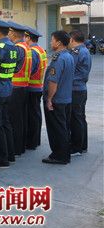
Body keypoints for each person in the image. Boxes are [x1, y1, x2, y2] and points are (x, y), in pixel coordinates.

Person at [0, 19, 20, 167]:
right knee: (5, 122)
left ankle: (1, 157)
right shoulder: (13, 47)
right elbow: (17, 67)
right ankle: (10, 154)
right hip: (8, 87)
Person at [42, 30, 75, 165]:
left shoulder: (58, 59)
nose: (51, 42)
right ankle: (64, 154)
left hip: (57, 99)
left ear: (59, 42)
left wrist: (49, 99)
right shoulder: (69, 56)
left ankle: (59, 156)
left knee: (56, 129)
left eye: (52, 40)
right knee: (63, 127)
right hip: (66, 98)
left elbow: (53, 82)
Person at [9, 21, 31, 156]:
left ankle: (16, 148)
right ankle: (20, 147)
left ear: (13, 33)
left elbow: (13, 68)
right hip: (24, 86)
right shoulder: (26, 47)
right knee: (20, 119)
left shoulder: (17, 48)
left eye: (9, 32)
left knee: (15, 120)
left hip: (16, 87)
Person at [68, 30, 92, 155]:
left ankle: (76, 147)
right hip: (81, 88)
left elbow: (70, 69)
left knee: (75, 118)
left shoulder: (76, 52)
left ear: (72, 39)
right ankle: (82, 145)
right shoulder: (85, 50)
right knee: (80, 117)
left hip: (75, 89)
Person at [25, 27, 47, 150]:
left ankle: (31, 142)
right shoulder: (41, 50)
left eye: (25, 37)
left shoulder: (32, 52)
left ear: (28, 38)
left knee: (32, 116)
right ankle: (36, 140)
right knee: (36, 114)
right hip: (38, 86)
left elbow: (31, 69)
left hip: (31, 87)